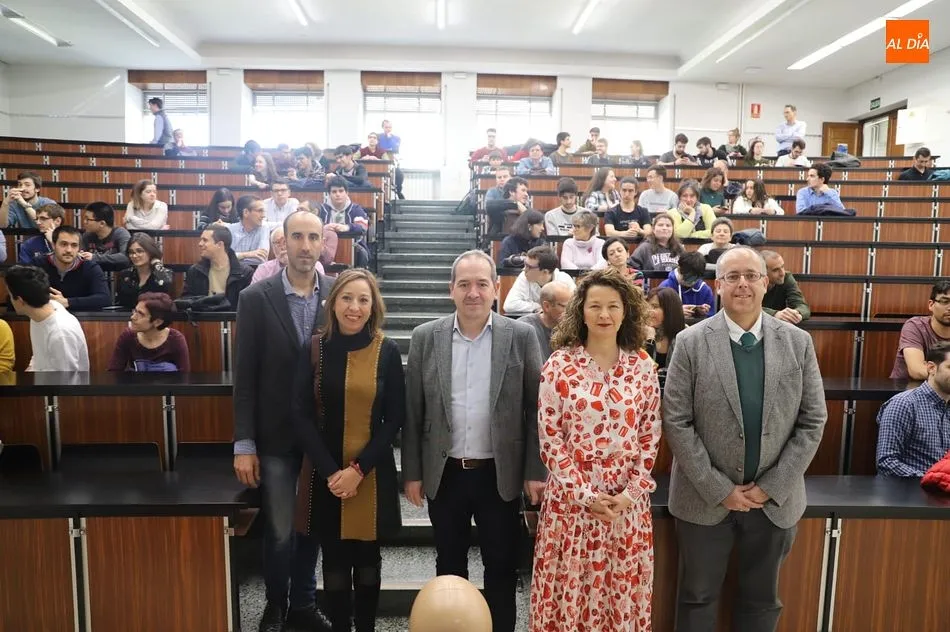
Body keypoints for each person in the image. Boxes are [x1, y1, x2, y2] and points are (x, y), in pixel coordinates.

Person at [663, 246, 826, 632]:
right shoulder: (690, 341)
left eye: (751, 276)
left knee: (762, 601)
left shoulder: (797, 342)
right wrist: (718, 488)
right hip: (703, 499)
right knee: (697, 597)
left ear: (765, 283)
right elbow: (676, 421)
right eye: (732, 277)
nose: (742, 284)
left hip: (774, 501)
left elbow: (813, 420)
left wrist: (773, 485)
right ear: (717, 285)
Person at [402, 249, 546, 632]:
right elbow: (413, 412)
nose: (473, 293)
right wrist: (412, 472)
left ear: (496, 288)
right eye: (464, 284)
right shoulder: (425, 337)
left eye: (482, 284)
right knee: (450, 568)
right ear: (451, 289)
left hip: (499, 475)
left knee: (501, 567)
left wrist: (535, 470)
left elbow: (537, 409)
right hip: (445, 473)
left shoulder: (521, 336)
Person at [530, 268, 661, 632]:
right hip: (572, 506)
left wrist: (630, 493)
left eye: (613, 306)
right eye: (595, 306)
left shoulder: (642, 366)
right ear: (581, 311)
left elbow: (650, 435)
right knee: (569, 599)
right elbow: (550, 440)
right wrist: (586, 495)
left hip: (625, 508)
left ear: (626, 311)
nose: (604, 315)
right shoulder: (559, 365)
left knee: (619, 599)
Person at [233, 210, 334, 632]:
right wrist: (244, 443)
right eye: (297, 236)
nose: (305, 246)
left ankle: (303, 605)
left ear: (322, 243)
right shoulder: (255, 298)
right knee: (278, 529)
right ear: (283, 243)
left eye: (313, 237)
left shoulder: (338, 293)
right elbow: (245, 375)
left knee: (311, 526)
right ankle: (276, 603)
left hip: (323, 438)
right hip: (274, 436)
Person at [289, 269, 403, 632]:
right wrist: (332, 474)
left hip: (370, 473)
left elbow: (394, 419)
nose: (354, 307)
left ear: (373, 306)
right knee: (334, 563)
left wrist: (357, 470)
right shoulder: (314, 348)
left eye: (363, 300)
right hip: (325, 472)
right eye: (347, 298)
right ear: (333, 303)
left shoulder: (387, 350)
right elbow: (300, 415)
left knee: (368, 562)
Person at [877, 341, 950, 477]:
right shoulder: (903, 404)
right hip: (912, 487)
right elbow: (886, 462)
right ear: (931, 368)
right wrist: (931, 479)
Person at [5, 265, 89, 372]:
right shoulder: (38, 314)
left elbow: (67, 379)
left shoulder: (61, 333)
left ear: (20, 300)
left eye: (10, 295)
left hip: (60, 382)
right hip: (42, 380)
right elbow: (38, 358)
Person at [108, 293, 190, 372]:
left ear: (158, 322)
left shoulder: (176, 339)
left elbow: (184, 377)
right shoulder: (128, 336)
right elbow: (114, 372)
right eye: (135, 311)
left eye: (140, 314)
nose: (132, 317)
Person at [37, 225, 111, 312]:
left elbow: (104, 298)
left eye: (74, 245)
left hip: (81, 318)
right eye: (64, 244)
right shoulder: (38, 265)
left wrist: (67, 302)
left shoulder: (90, 268)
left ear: (79, 248)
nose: (69, 250)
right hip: (45, 315)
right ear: (53, 245)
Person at [890, 280, 950, 380]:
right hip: (909, 388)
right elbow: (917, 371)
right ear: (931, 305)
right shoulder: (915, 326)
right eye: (945, 301)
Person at [182, 225, 253, 308]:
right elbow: (186, 300)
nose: (200, 244)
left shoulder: (245, 273)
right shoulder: (195, 271)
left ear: (220, 244)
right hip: (202, 316)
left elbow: (247, 305)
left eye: (205, 240)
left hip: (232, 316)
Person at [503, 245, 575, 314]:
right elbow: (509, 305)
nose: (524, 269)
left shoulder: (564, 280)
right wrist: (538, 307)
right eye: (525, 264)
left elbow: (574, 306)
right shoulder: (524, 276)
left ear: (545, 272)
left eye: (529, 267)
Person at [318, 177, 370, 268]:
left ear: (347, 193)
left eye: (341, 191)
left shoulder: (356, 208)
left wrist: (347, 227)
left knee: (362, 254)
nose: (338, 194)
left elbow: (363, 227)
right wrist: (324, 228)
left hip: (354, 249)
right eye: (334, 192)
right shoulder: (321, 209)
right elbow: (311, 227)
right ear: (329, 194)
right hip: (326, 248)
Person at [115, 233, 174, 309]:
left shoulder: (164, 273)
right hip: (128, 315)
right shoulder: (125, 275)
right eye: (131, 252)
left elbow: (166, 286)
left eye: (139, 251)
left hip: (154, 315)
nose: (134, 256)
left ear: (150, 251)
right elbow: (120, 302)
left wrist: (156, 264)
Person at [519, 281, 573, 360]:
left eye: (572, 306)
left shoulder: (573, 327)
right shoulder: (523, 329)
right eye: (565, 306)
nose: (570, 311)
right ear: (546, 306)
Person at [659, 251, 716, 319]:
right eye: (687, 278)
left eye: (695, 279)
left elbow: (711, 317)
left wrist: (703, 314)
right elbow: (658, 316)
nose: (692, 282)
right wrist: (676, 313)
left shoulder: (705, 290)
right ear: (679, 269)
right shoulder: (665, 288)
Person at [761, 250, 811, 323]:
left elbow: (802, 306)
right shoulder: (751, 282)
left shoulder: (787, 278)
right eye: (775, 270)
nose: (782, 273)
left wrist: (796, 313)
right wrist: (774, 314)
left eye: (782, 266)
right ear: (762, 273)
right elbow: (747, 309)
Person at [80, 202, 132, 271]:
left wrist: (94, 257)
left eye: (88, 219)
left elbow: (126, 257)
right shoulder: (87, 236)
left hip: (119, 275)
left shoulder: (120, 233)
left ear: (102, 223)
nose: (84, 222)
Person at [645, 287, 686, 370]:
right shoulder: (638, 333)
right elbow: (643, 369)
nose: (648, 311)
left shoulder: (686, 336)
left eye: (655, 306)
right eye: (646, 306)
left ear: (670, 310)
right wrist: (649, 340)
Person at [228, 196, 272, 266]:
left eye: (264, 211)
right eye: (260, 211)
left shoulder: (264, 227)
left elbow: (261, 258)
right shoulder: (230, 229)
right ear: (246, 212)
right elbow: (225, 257)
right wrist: (247, 254)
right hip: (234, 270)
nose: (263, 215)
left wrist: (237, 257)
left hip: (256, 270)